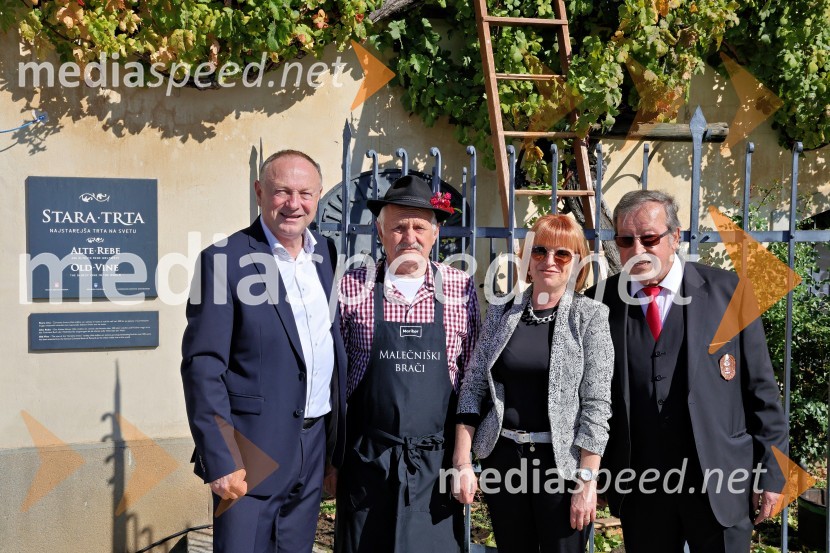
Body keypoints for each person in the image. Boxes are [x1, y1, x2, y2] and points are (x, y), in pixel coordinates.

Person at [587, 189, 788, 553]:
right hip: (641, 487)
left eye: (649, 238)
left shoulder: (729, 293)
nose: (637, 250)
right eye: (625, 241)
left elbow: (762, 392)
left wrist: (772, 474)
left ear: (675, 236)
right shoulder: (598, 302)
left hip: (722, 483)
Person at [181, 150, 347, 553]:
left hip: (313, 445)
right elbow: (203, 367)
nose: (294, 204)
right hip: (249, 451)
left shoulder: (326, 254)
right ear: (259, 192)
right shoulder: (223, 261)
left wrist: (333, 449)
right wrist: (221, 458)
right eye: (281, 192)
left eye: (305, 193)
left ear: (319, 195)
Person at [333, 175, 481, 552]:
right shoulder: (352, 286)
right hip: (369, 463)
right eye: (398, 227)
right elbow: (331, 379)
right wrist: (331, 460)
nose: (409, 236)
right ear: (380, 233)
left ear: (435, 233)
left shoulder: (461, 288)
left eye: (419, 226)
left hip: (435, 468)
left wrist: (463, 461)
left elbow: (472, 381)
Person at [452, 214, 614, 553]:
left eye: (562, 254)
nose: (549, 261)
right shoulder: (501, 312)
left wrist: (587, 480)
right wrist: (463, 462)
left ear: (577, 263)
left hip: (561, 465)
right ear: (527, 260)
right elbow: (473, 387)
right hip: (503, 459)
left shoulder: (590, 316)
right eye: (539, 251)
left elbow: (596, 405)